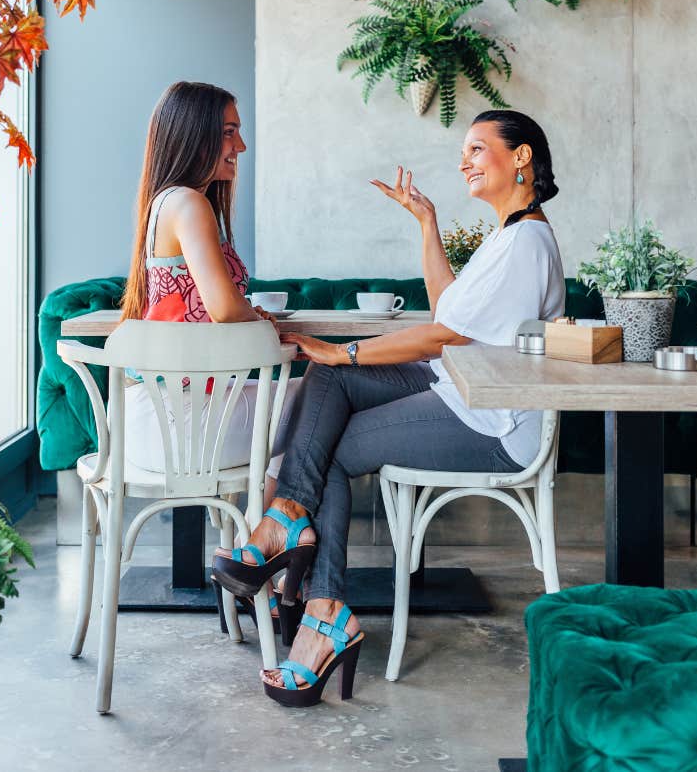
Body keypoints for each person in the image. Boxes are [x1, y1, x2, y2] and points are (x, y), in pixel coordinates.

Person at [212, 109, 565, 706]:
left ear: (522, 157)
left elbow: (442, 335)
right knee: (326, 381)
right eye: (465, 152)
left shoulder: (528, 242)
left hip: (497, 422)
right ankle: (293, 537)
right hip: (459, 393)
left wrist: (348, 349)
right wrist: (426, 223)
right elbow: (447, 307)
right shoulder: (506, 235)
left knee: (328, 439)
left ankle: (314, 598)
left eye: (478, 149)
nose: (464, 162)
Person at [121, 79, 299, 518]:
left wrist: (250, 315)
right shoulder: (188, 203)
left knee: (312, 412)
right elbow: (222, 308)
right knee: (325, 396)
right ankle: (269, 536)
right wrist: (262, 323)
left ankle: (269, 535)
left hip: (157, 417)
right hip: (183, 424)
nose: (240, 144)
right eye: (227, 131)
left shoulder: (167, 202)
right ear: (191, 133)